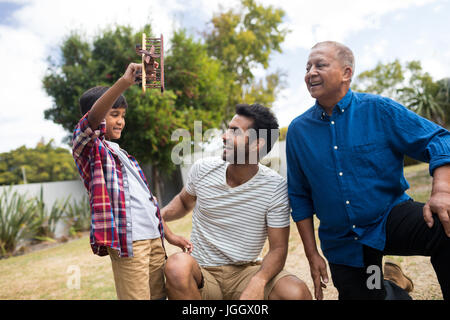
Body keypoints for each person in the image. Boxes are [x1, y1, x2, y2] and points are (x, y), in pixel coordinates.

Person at [286, 41, 450, 300]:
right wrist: (312, 253)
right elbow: (299, 196)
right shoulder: (298, 131)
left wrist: (442, 191)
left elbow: (440, 139)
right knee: (373, 293)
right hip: (344, 241)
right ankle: (391, 284)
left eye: (320, 65)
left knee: (446, 228)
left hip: (389, 218)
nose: (310, 72)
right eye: (307, 67)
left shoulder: (379, 110)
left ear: (346, 73)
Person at [162, 104, 312, 300]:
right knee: (176, 266)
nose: (224, 136)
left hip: (244, 273)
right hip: (203, 272)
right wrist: (158, 215)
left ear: (257, 144)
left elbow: (278, 249)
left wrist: (259, 281)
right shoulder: (202, 169)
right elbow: (183, 202)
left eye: (234, 132)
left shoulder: (275, 188)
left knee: (296, 293)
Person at [72, 62, 192, 300]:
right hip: (130, 242)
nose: (120, 121)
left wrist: (169, 235)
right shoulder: (88, 148)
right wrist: (125, 82)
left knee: (159, 296)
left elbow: (149, 202)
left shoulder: (125, 155)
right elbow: (93, 119)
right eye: (114, 114)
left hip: (153, 239)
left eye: (122, 115)